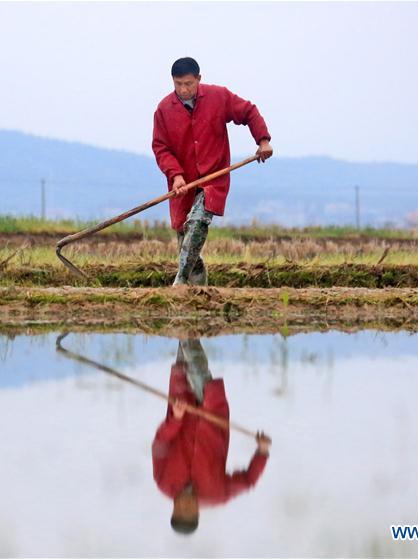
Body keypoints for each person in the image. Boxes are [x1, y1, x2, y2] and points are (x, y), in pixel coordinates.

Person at [152, 57, 273, 286]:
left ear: (199, 79)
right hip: (183, 184)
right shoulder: (164, 110)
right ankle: (198, 292)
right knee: (186, 237)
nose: (183, 89)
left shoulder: (218, 97)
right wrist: (175, 175)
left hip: (212, 179)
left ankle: (178, 284)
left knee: (197, 222)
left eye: (188, 83)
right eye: (178, 84)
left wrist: (263, 140)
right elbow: (161, 147)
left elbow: (248, 111)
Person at [152, 338, 271, 535]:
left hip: (182, 407)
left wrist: (176, 418)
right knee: (199, 372)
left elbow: (160, 443)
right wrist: (262, 450)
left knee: (183, 363)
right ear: (198, 512)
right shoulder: (218, 495)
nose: (185, 506)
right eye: (189, 511)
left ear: (173, 509)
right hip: (212, 417)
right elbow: (248, 480)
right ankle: (190, 329)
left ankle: (187, 325)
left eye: (180, 510)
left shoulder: (163, 483)